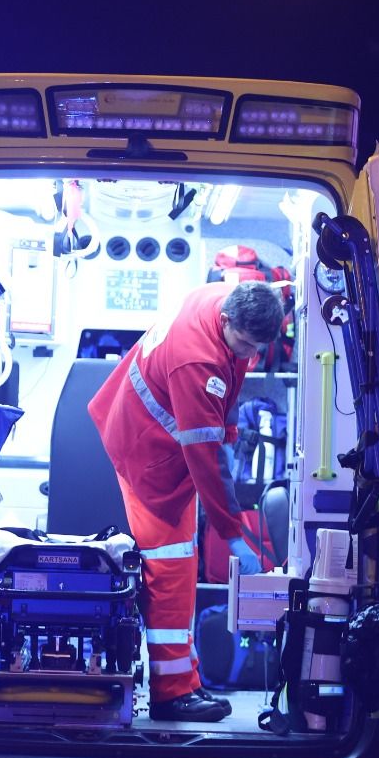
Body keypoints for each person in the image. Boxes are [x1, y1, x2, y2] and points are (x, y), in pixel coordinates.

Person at [88, 280, 284, 723]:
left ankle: (187, 682)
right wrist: (233, 532)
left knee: (181, 564)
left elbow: (228, 384)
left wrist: (229, 433)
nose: (247, 353)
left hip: (143, 432)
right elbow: (205, 455)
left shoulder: (219, 300)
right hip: (150, 457)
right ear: (227, 320)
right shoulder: (198, 364)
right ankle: (172, 693)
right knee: (173, 569)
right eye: (243, 343)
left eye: (257, 347)